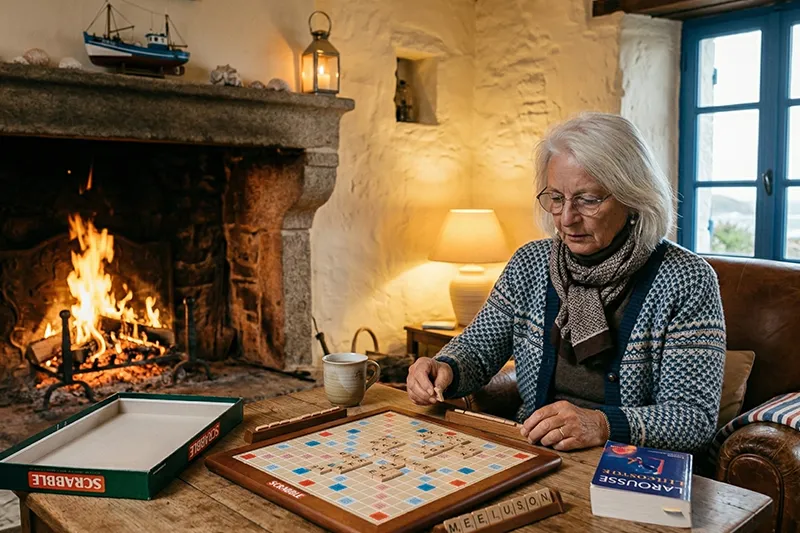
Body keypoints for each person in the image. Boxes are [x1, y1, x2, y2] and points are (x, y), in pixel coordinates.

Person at [406, 112, 726, 454]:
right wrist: (444, 367)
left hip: (635, 466)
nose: (567, 218)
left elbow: (694, 418)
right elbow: (478, 348)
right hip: (536, 451)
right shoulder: (530, 264)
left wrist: (602, 425)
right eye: (556, 198)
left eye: (588, 199)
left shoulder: (686, 280)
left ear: (633, 197)